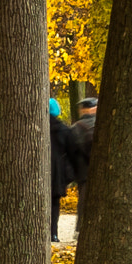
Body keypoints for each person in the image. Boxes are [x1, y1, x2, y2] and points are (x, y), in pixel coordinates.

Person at [48, 98, 76, 243]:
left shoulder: (36, 128)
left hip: (43, 172)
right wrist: (68, 176)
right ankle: (53, 233)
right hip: (57, 175)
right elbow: (72, 154)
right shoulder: (64, 130)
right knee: (54, 205)